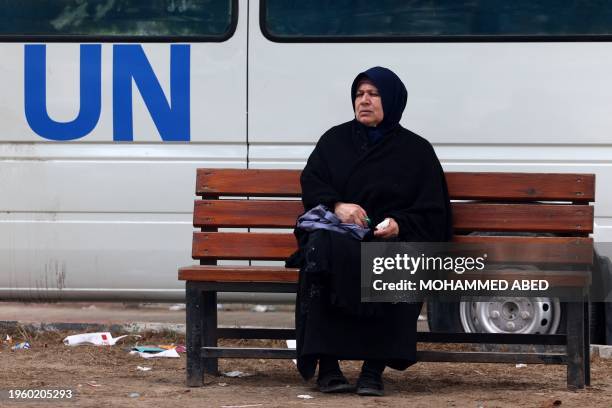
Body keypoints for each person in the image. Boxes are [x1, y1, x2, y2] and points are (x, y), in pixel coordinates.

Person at [289, 66, 452, 397]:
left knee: (397, 263)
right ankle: (329, 367)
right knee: (322, 256)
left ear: (391, 101)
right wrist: (337, 205)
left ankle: (372, 370)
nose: (364, 101)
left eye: (373, 94)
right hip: (339, 237)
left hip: (387, 242)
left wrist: (399, 224)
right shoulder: (334, 140)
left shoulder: (416, 151)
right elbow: (313, 184)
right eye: (359, 94)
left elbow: (434, 212)